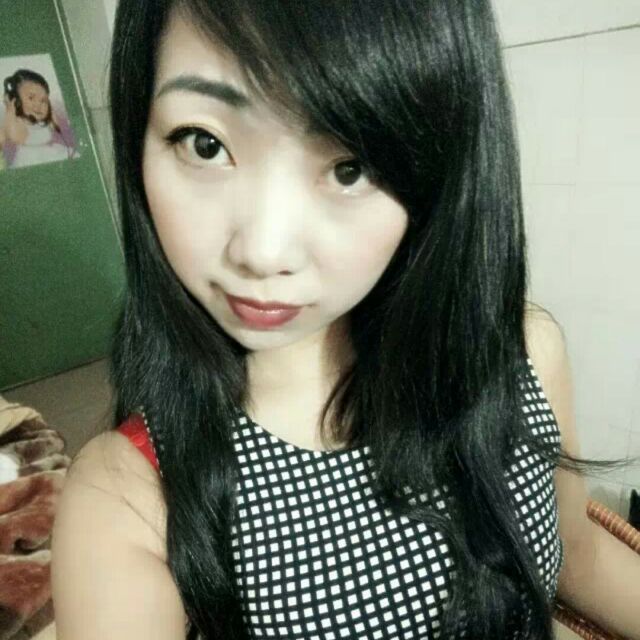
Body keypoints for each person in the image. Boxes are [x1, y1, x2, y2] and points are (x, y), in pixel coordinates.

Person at [50, 1, 640, 639]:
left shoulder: (520, 350)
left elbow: (578, 556)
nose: (263, 252)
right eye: (205, 143)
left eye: (349, 167)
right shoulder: (125, 499)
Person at [2, 69, 76, 168]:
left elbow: (57, 126)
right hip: (29, 158)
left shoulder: (44, 121)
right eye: (31, 98)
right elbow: (14, 135)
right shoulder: (19, 122)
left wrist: (49, 112)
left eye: (43, 100)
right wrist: (10, 109)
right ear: (17, 101)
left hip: (50, 152)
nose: (38, 105)